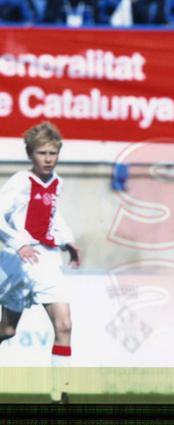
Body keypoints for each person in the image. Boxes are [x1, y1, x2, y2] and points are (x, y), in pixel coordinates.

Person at [0, 122, 81, 404]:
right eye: (41, 152)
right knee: (7, 330)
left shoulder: (56, 182)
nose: (48, 158)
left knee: (65, 325)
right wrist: (18, 243)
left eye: (53, 153)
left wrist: (68, 241)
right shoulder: (21, 181)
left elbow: (52, 217)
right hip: (17, 263)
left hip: (47, 260)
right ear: (30, 154)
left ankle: (60, 395)